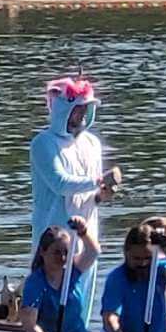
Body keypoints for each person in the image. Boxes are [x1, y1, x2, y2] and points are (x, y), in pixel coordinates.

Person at [29, 77, 117, 255]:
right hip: (54, 235)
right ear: (62, 110)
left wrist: (103, 194)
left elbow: (90, 192)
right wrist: (99, 181)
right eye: (78, 108)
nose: (84, 113)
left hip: (87, 230)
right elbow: (60, 184)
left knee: (85, 281)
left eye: (87, 107)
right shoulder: (43, 143)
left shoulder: (92, 143)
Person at [19, 218, 106, 332]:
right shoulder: (35, 283)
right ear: (43, 252)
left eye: (66, 252)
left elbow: (93, 252)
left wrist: (83, 232)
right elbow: (29, 324)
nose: (63, 257)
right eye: (57, 252)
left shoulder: (73, 271)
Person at [99, 221, 166, 332]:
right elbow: (109, 319)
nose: (143, 263)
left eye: (148, 258)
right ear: (126, 253)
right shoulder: (117, 278)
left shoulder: (159, 270)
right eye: (137, 258)